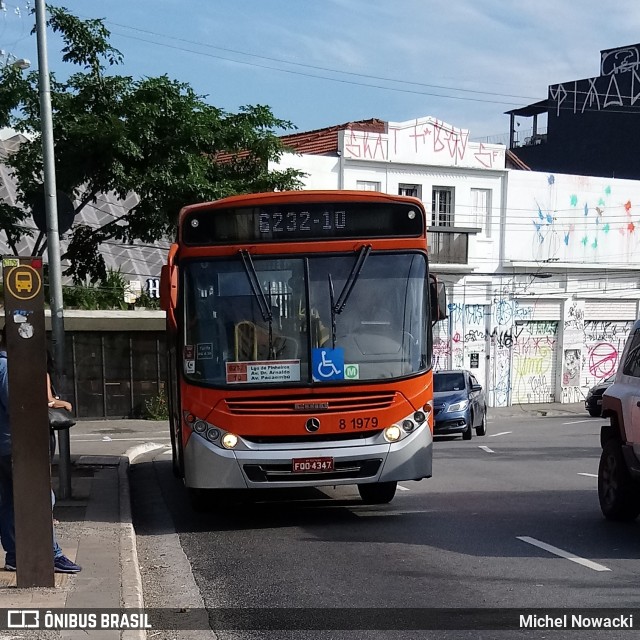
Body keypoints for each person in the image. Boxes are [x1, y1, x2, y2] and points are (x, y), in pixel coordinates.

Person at [0, 330, 81, 573]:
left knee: (8, 501)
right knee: (42, 498)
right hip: (16, 444)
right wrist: (45, 403)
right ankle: (50, 553)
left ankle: (14, 554)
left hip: (4, 446)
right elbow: (17, 405)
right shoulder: (8, 367)